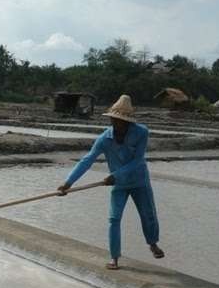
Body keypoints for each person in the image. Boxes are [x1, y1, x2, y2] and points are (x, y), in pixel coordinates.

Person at [58, 94, 164, 268]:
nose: (117, 124)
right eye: (114, 120)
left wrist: (116, 174)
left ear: (129, 122)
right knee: (114, 219)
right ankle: (114, 257)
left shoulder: (141, 132)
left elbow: (138, 160)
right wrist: (68, 183)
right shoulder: (104, 139)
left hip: (139, 182)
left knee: (148, 215)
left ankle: (152, 244)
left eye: (121, 121)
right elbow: (87, 160)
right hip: (119, 185)